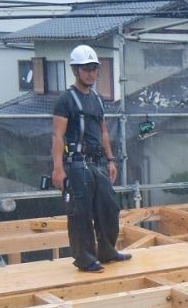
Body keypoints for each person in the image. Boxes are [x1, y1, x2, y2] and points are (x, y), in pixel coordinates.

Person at [51, 44, 131, 272]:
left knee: (109, 206)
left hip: (97, 162)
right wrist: (58, 168)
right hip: (76, 163)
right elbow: (57, 135)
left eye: (94, 69)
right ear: (76, 70)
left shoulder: (97, 99)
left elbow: (103, 131)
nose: (91, 74)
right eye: (86, 69)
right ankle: (85, 258)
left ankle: (106, 250)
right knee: (81, 212)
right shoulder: (66, 100)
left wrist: (111, 159)